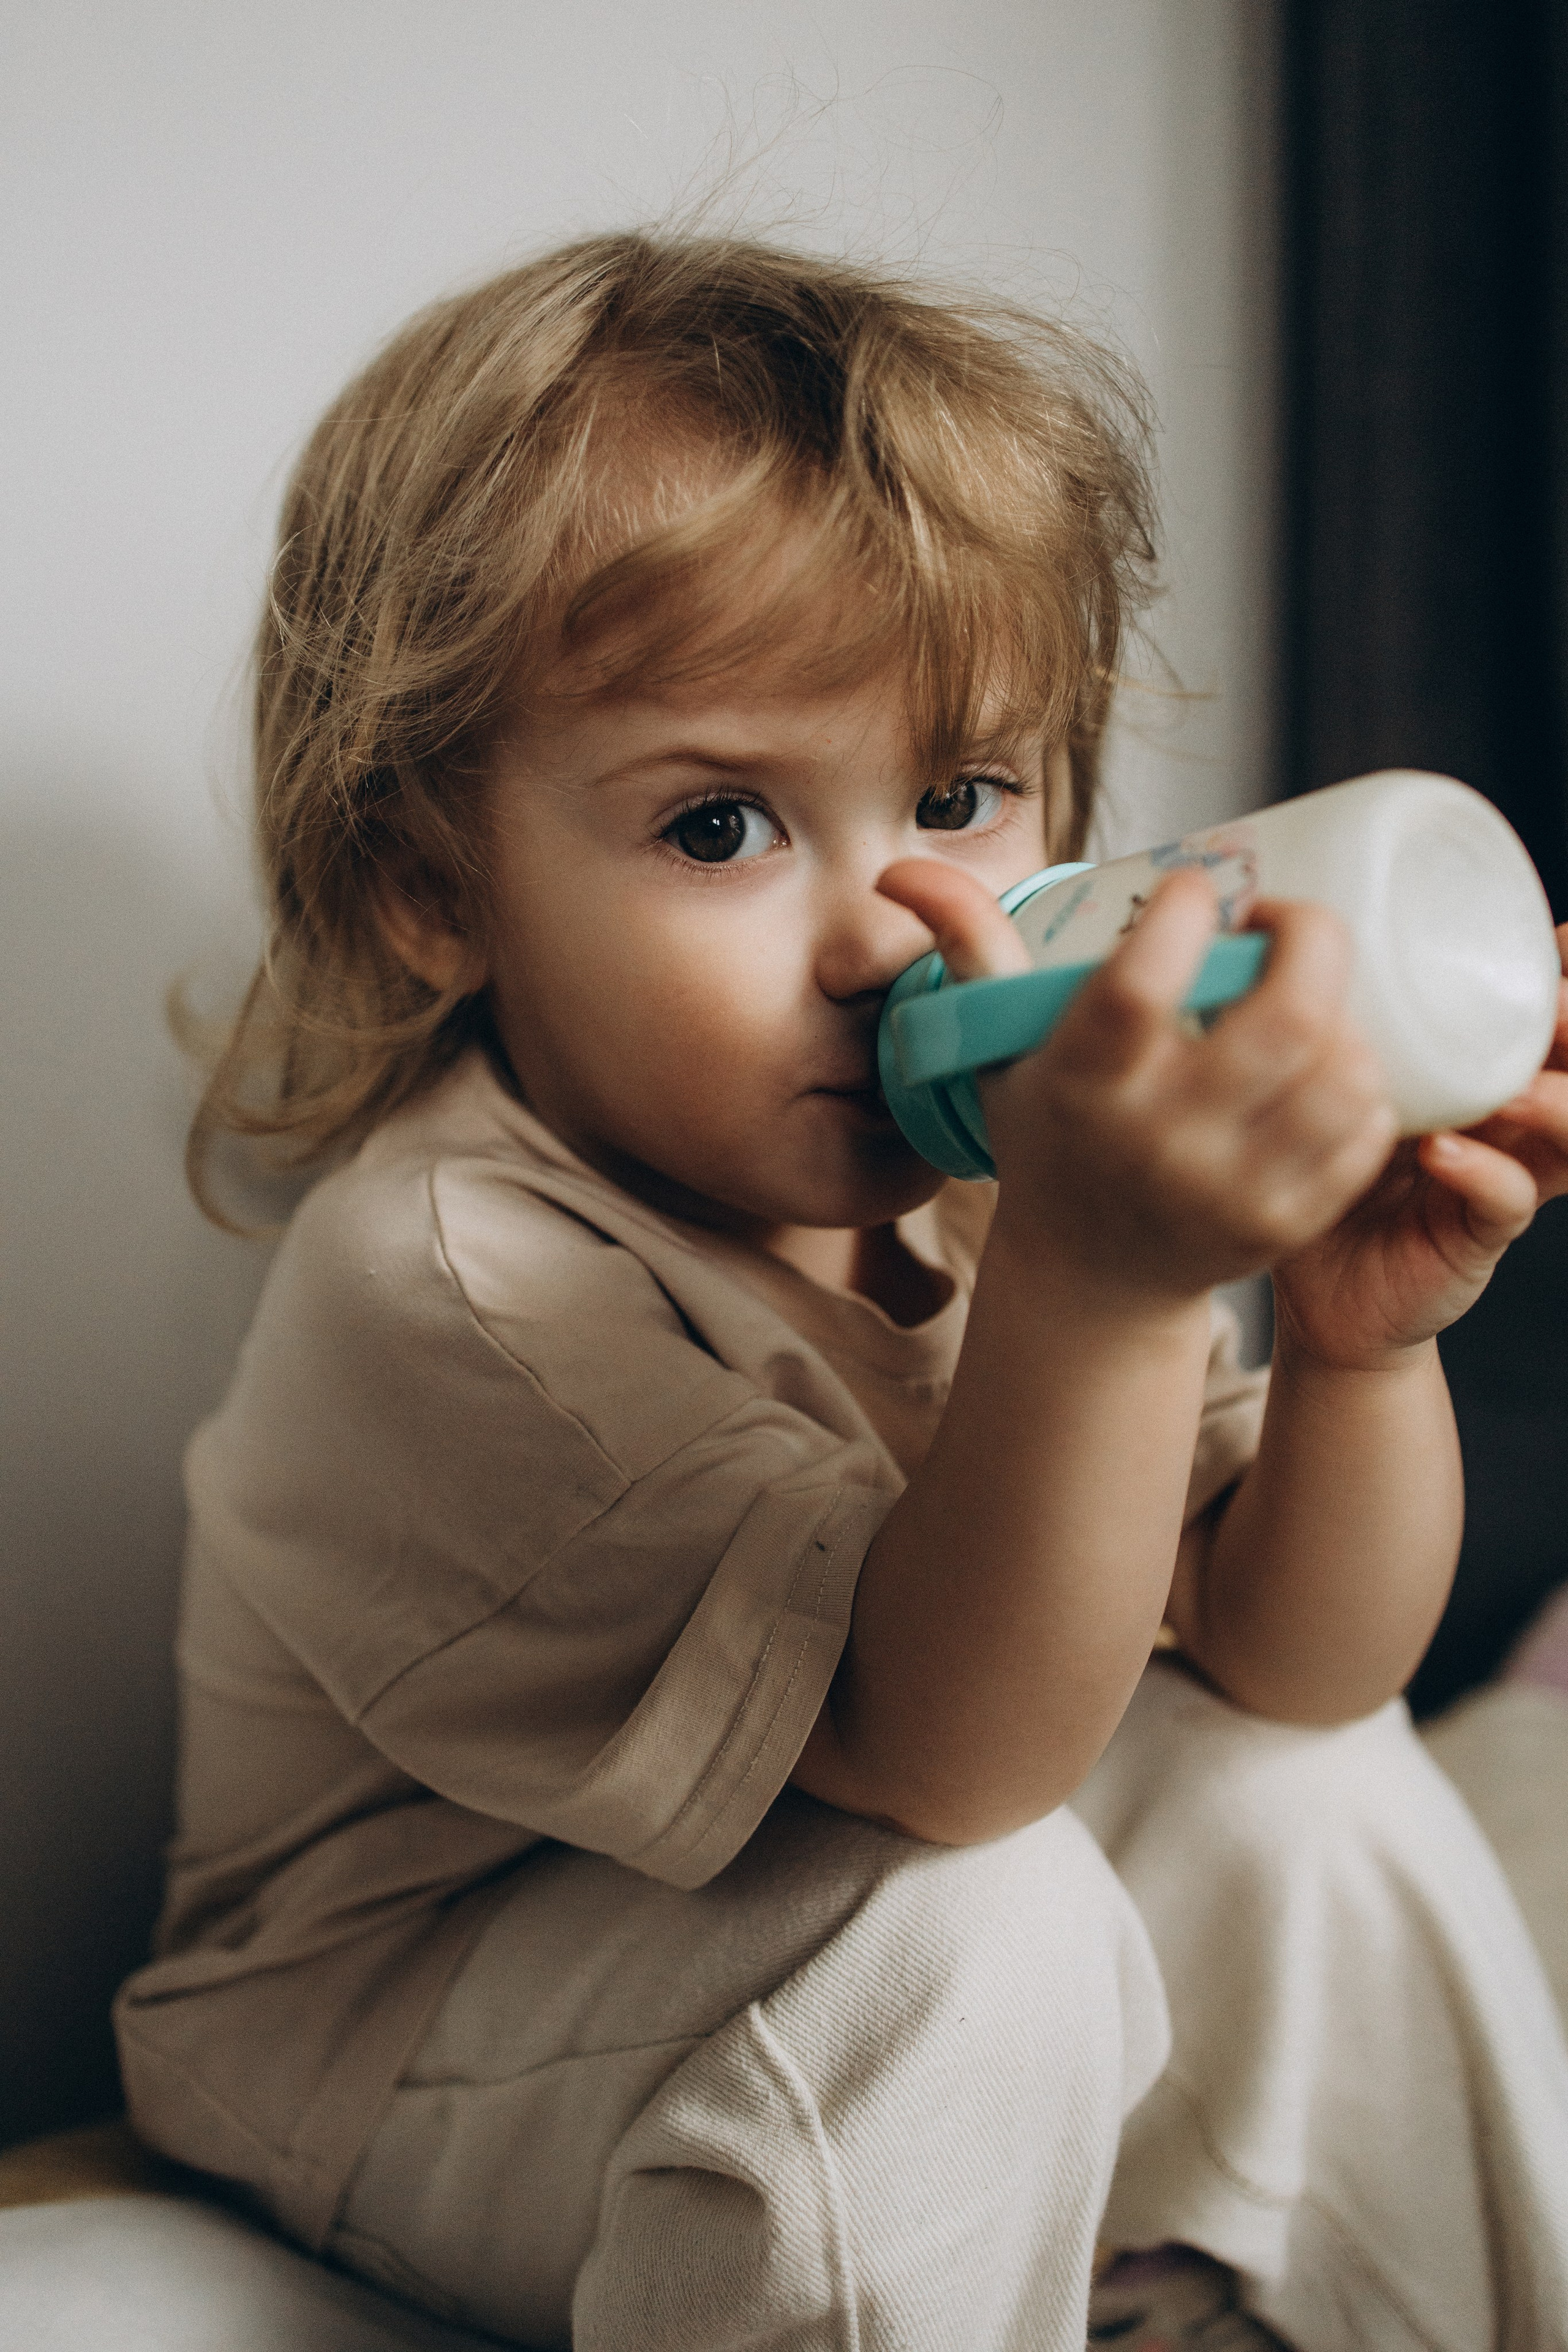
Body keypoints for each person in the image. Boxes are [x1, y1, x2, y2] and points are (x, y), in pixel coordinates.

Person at [115, 232, 1568, 2352]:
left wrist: (1363, 1350)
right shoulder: (449, 1274)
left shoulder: (999, 1203)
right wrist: (1107, 1287)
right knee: (967, 1925)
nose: (894, 930)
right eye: (720, 825)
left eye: (963, 798)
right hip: (403, 2033)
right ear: (434, 889)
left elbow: (1301, 1667)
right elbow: (944, 1761)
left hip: (778, 1907)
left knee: (1313, 1799)